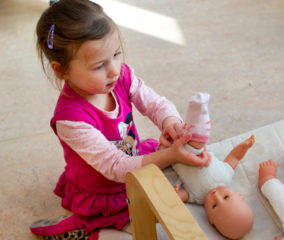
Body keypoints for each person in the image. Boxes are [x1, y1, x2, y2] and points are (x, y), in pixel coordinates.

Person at [30, 1, 210, 239]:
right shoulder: (70, 120)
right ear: (62, 70)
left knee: (185, 172)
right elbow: (115, 168)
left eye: (115, 54)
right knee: (127, 226)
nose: (114, 69)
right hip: (104, 187)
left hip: (132, 158)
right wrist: (167, 156)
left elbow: (155, 103)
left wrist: (170, 121)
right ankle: (77, 227)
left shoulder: (121, 76)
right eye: (99, 65)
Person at [171, 92, 254, 239]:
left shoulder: (197, 197)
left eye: (214, 206)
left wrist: (174, 194)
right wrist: (244, 146)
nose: (216, 196)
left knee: (197, 138)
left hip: (173, 154)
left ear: (210, 219)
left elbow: (180, 197)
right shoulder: (226, 176)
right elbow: (234, 158)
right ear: (239, 195)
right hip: (194, 146)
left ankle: (198, 113)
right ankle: (198, 110)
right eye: (226, 197)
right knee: (199, 141)